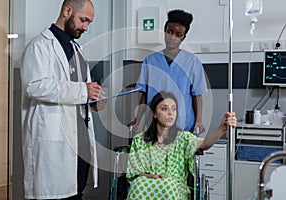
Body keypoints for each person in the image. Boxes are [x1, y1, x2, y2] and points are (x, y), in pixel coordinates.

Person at [21, 0, 106, 199]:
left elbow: (82, 92)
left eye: (89, 23)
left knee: (76, 193)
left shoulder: (77, 50)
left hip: (79, 141)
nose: (86, 27)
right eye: (83, 20)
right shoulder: (39, 46)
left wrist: (93, 102)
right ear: (67, 11)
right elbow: (33, 86)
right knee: (54, 194)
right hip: (53, 141)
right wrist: (82, 91)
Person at [126, 91, 236, 199]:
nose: (170, 113)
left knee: (168, 186)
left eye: (174, 109)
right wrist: (151, 177)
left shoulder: (183, 138)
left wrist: (222, 128)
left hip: (174, 188)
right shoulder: (140, 140)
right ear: (154, 113)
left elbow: (205, 144)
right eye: (164, 109)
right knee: (138, 185)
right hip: (146, 185)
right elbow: (137, 173)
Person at [128, 9, 208, 134]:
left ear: (183, 37)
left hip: (183, 125)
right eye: (169, 32)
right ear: (164, 32)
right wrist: (137, 119)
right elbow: (144, 93)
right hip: (155, 126)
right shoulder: (150, 61)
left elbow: (197, 95)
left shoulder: (192, 62)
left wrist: (199, 120)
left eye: (178, 34)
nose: (172, 37)